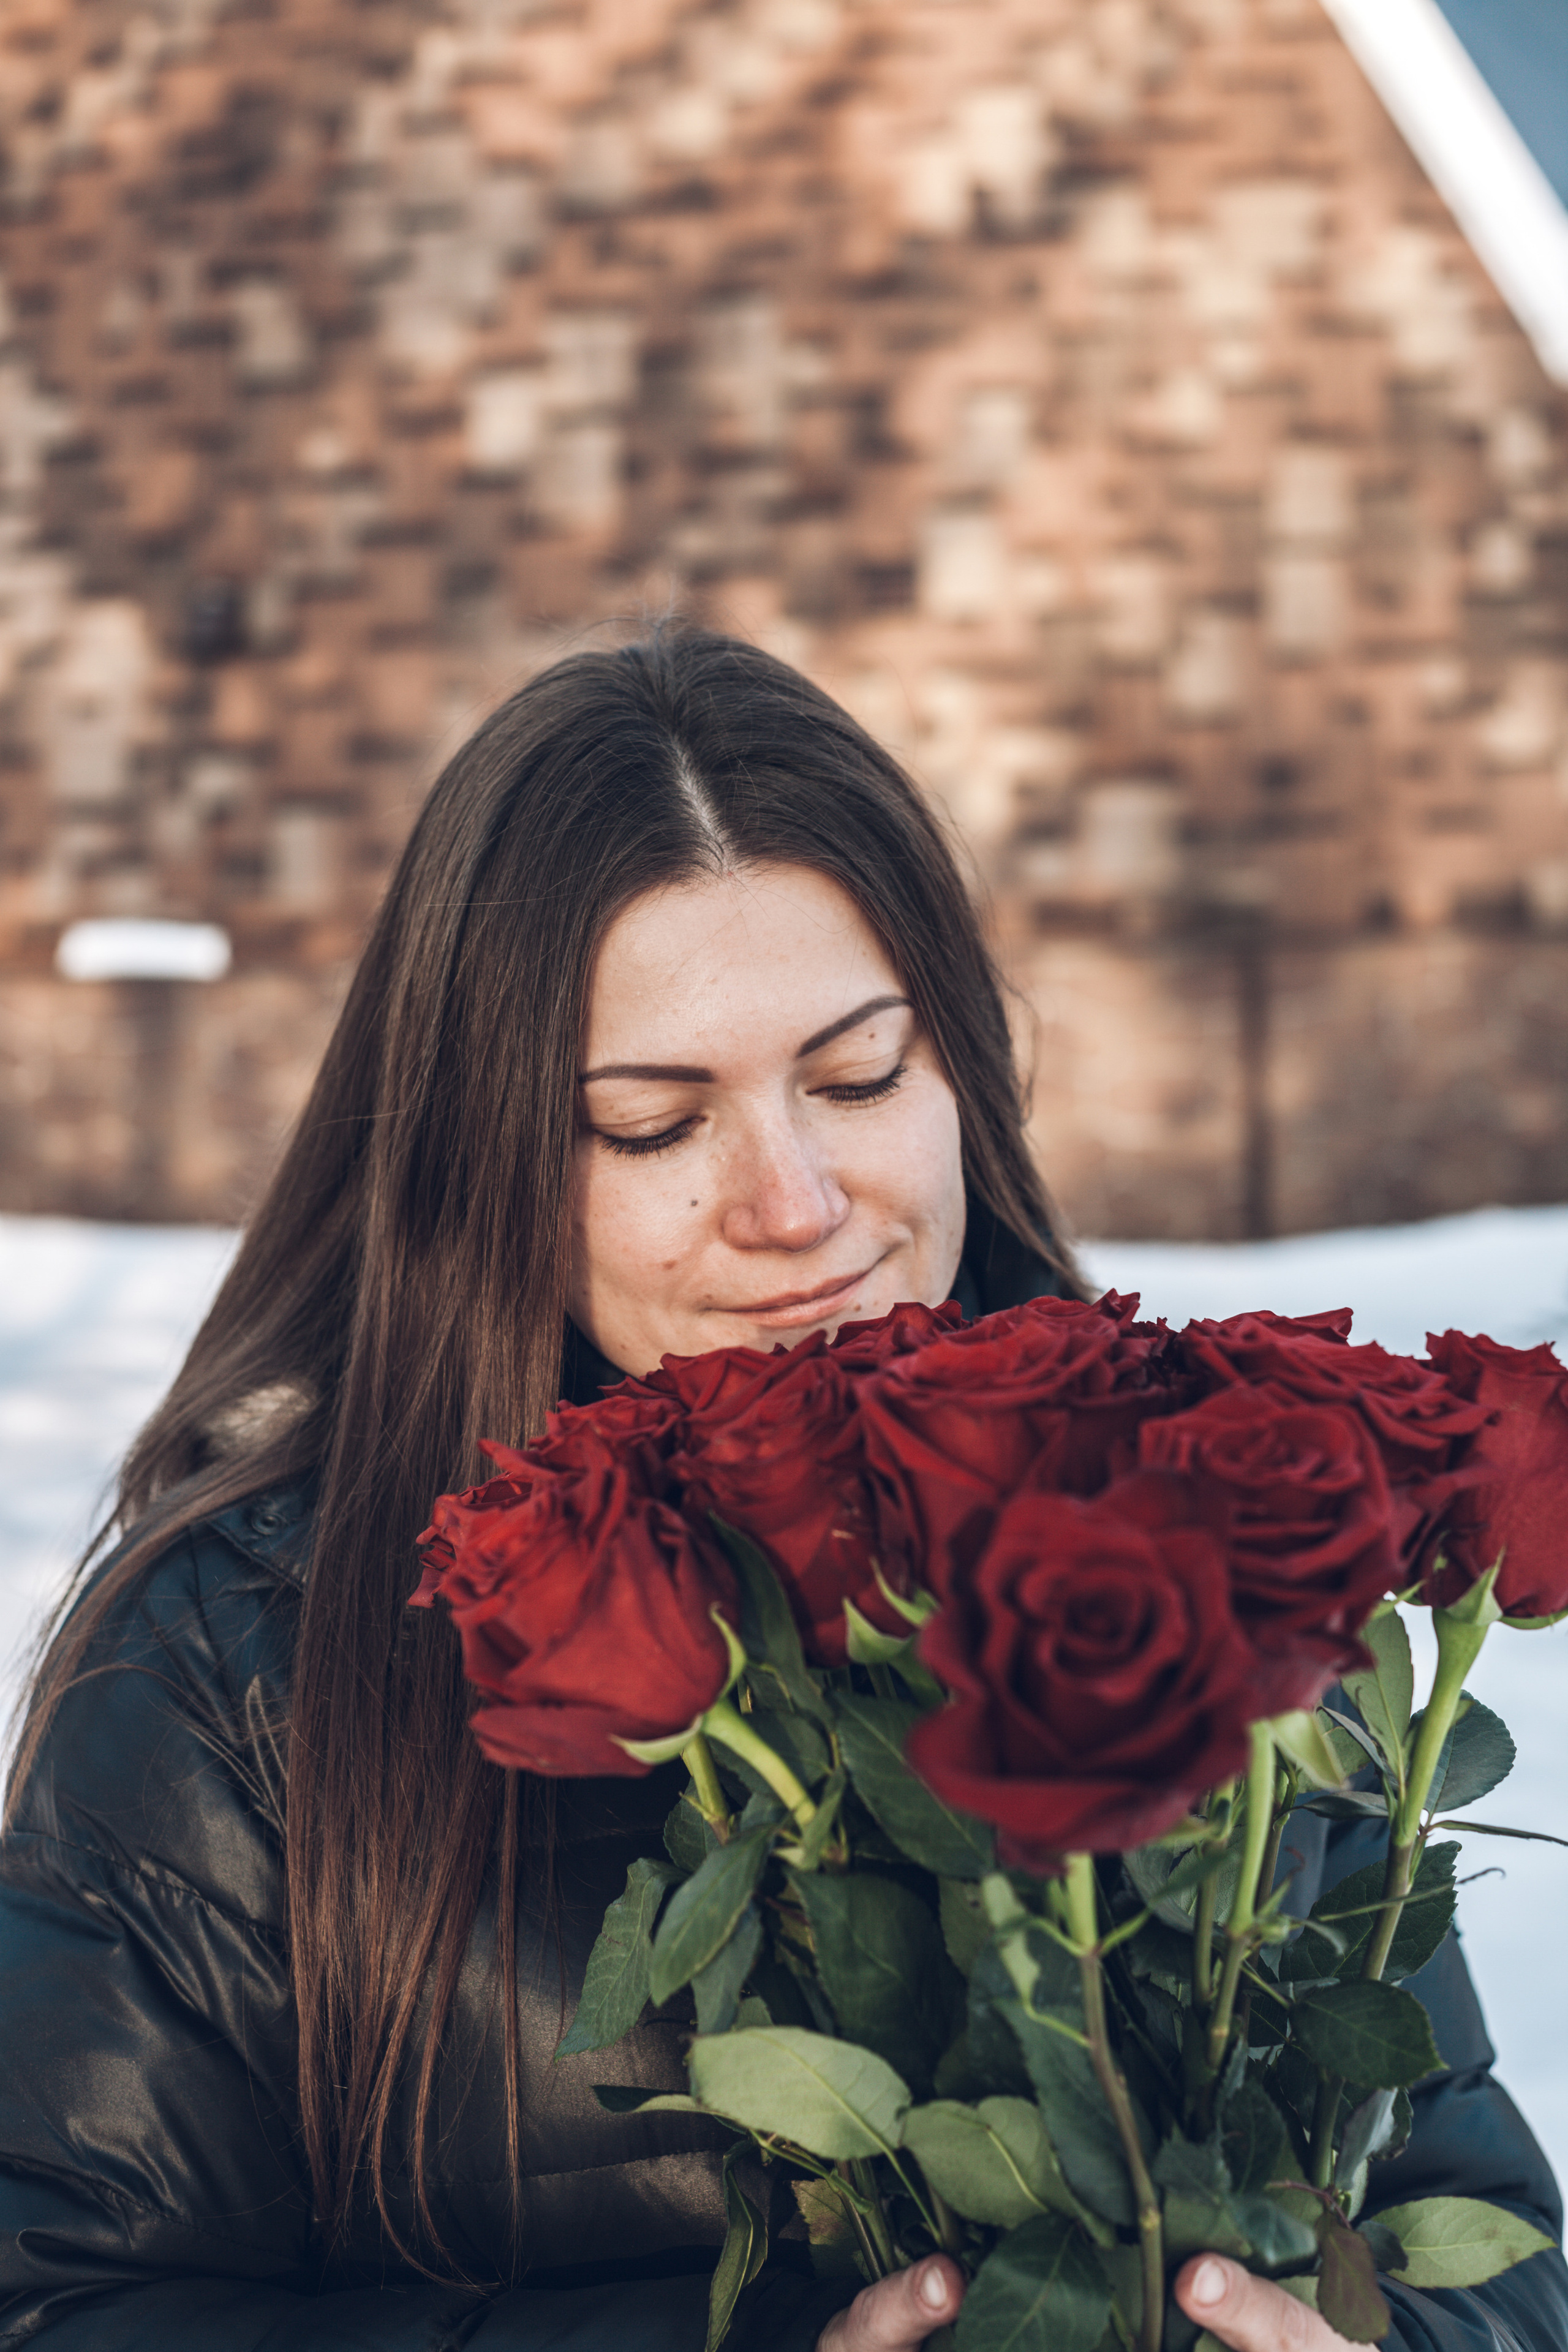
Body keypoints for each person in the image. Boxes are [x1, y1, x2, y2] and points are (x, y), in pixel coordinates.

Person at [0, 628, 1561, 2352]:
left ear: (962, 1069)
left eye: (858, 1075)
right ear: (485, 1157)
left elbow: (1492, 2257)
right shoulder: (228, 1666)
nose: (797, 1206)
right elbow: (68, 2310)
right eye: (655, 1124)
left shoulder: (1204, 1524)